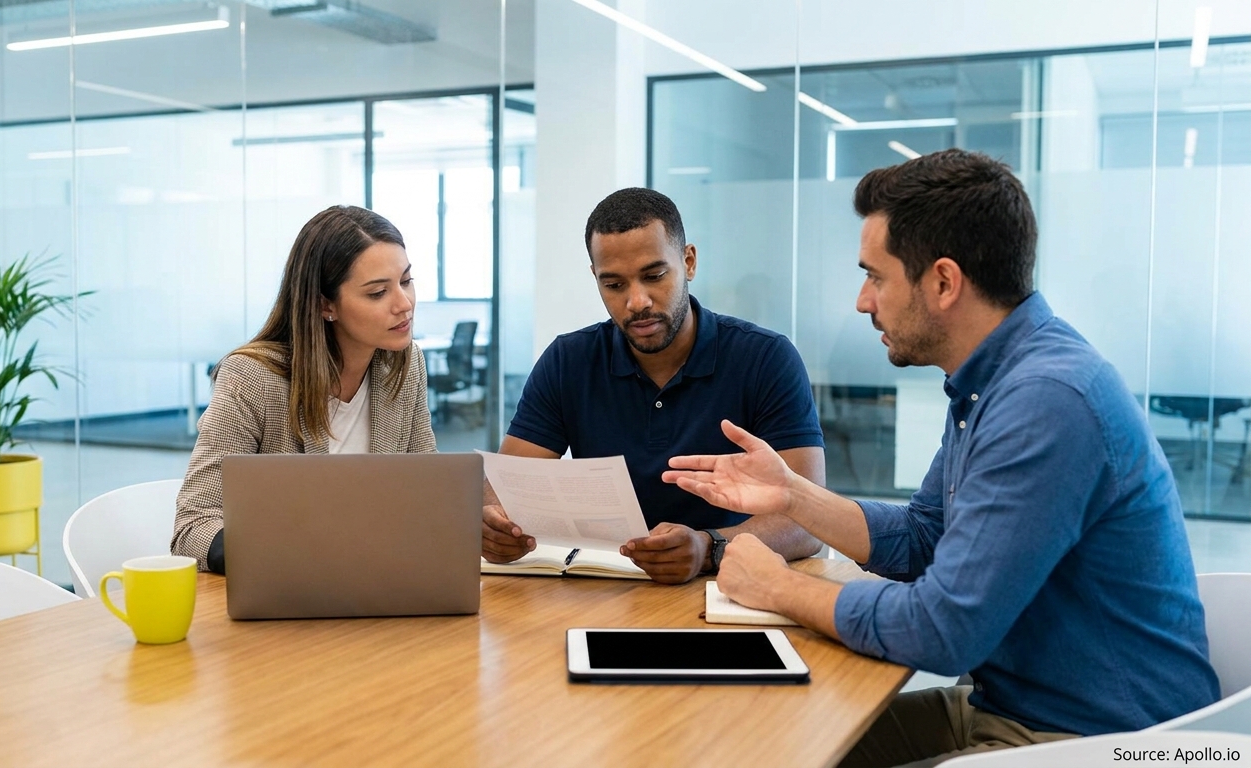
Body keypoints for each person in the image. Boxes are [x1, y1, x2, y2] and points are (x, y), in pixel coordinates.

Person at [663, 149, 1219, 766]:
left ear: (944, 282)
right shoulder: (995, 380)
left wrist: (780, 588)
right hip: (1011, 709)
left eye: (875, 276)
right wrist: (794, 495)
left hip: (1099, 742)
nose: (861, 301)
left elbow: (943, 630)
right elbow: (926, 537)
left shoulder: (1046, 400)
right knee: (770, 743)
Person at [481, 187, 826, 584]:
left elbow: (810, 520)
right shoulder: (567, 361)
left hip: (727, 585)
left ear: (689, 262)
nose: (637, 301)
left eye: (654, 276)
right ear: (596, 279)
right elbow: (506, 488)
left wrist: (710, 547)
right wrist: (494, 524)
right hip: (602, 588)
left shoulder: (766, 358)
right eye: (614, 285)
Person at [172, 205, 435, 574]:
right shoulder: (252, 378)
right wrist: (286, 554)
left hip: (377, 581)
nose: (404, 304)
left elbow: (427, 495)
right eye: (378, 293)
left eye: (406, 281)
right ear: (325, 305)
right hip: (288, 589)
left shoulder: (404, 366)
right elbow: (193, 528)